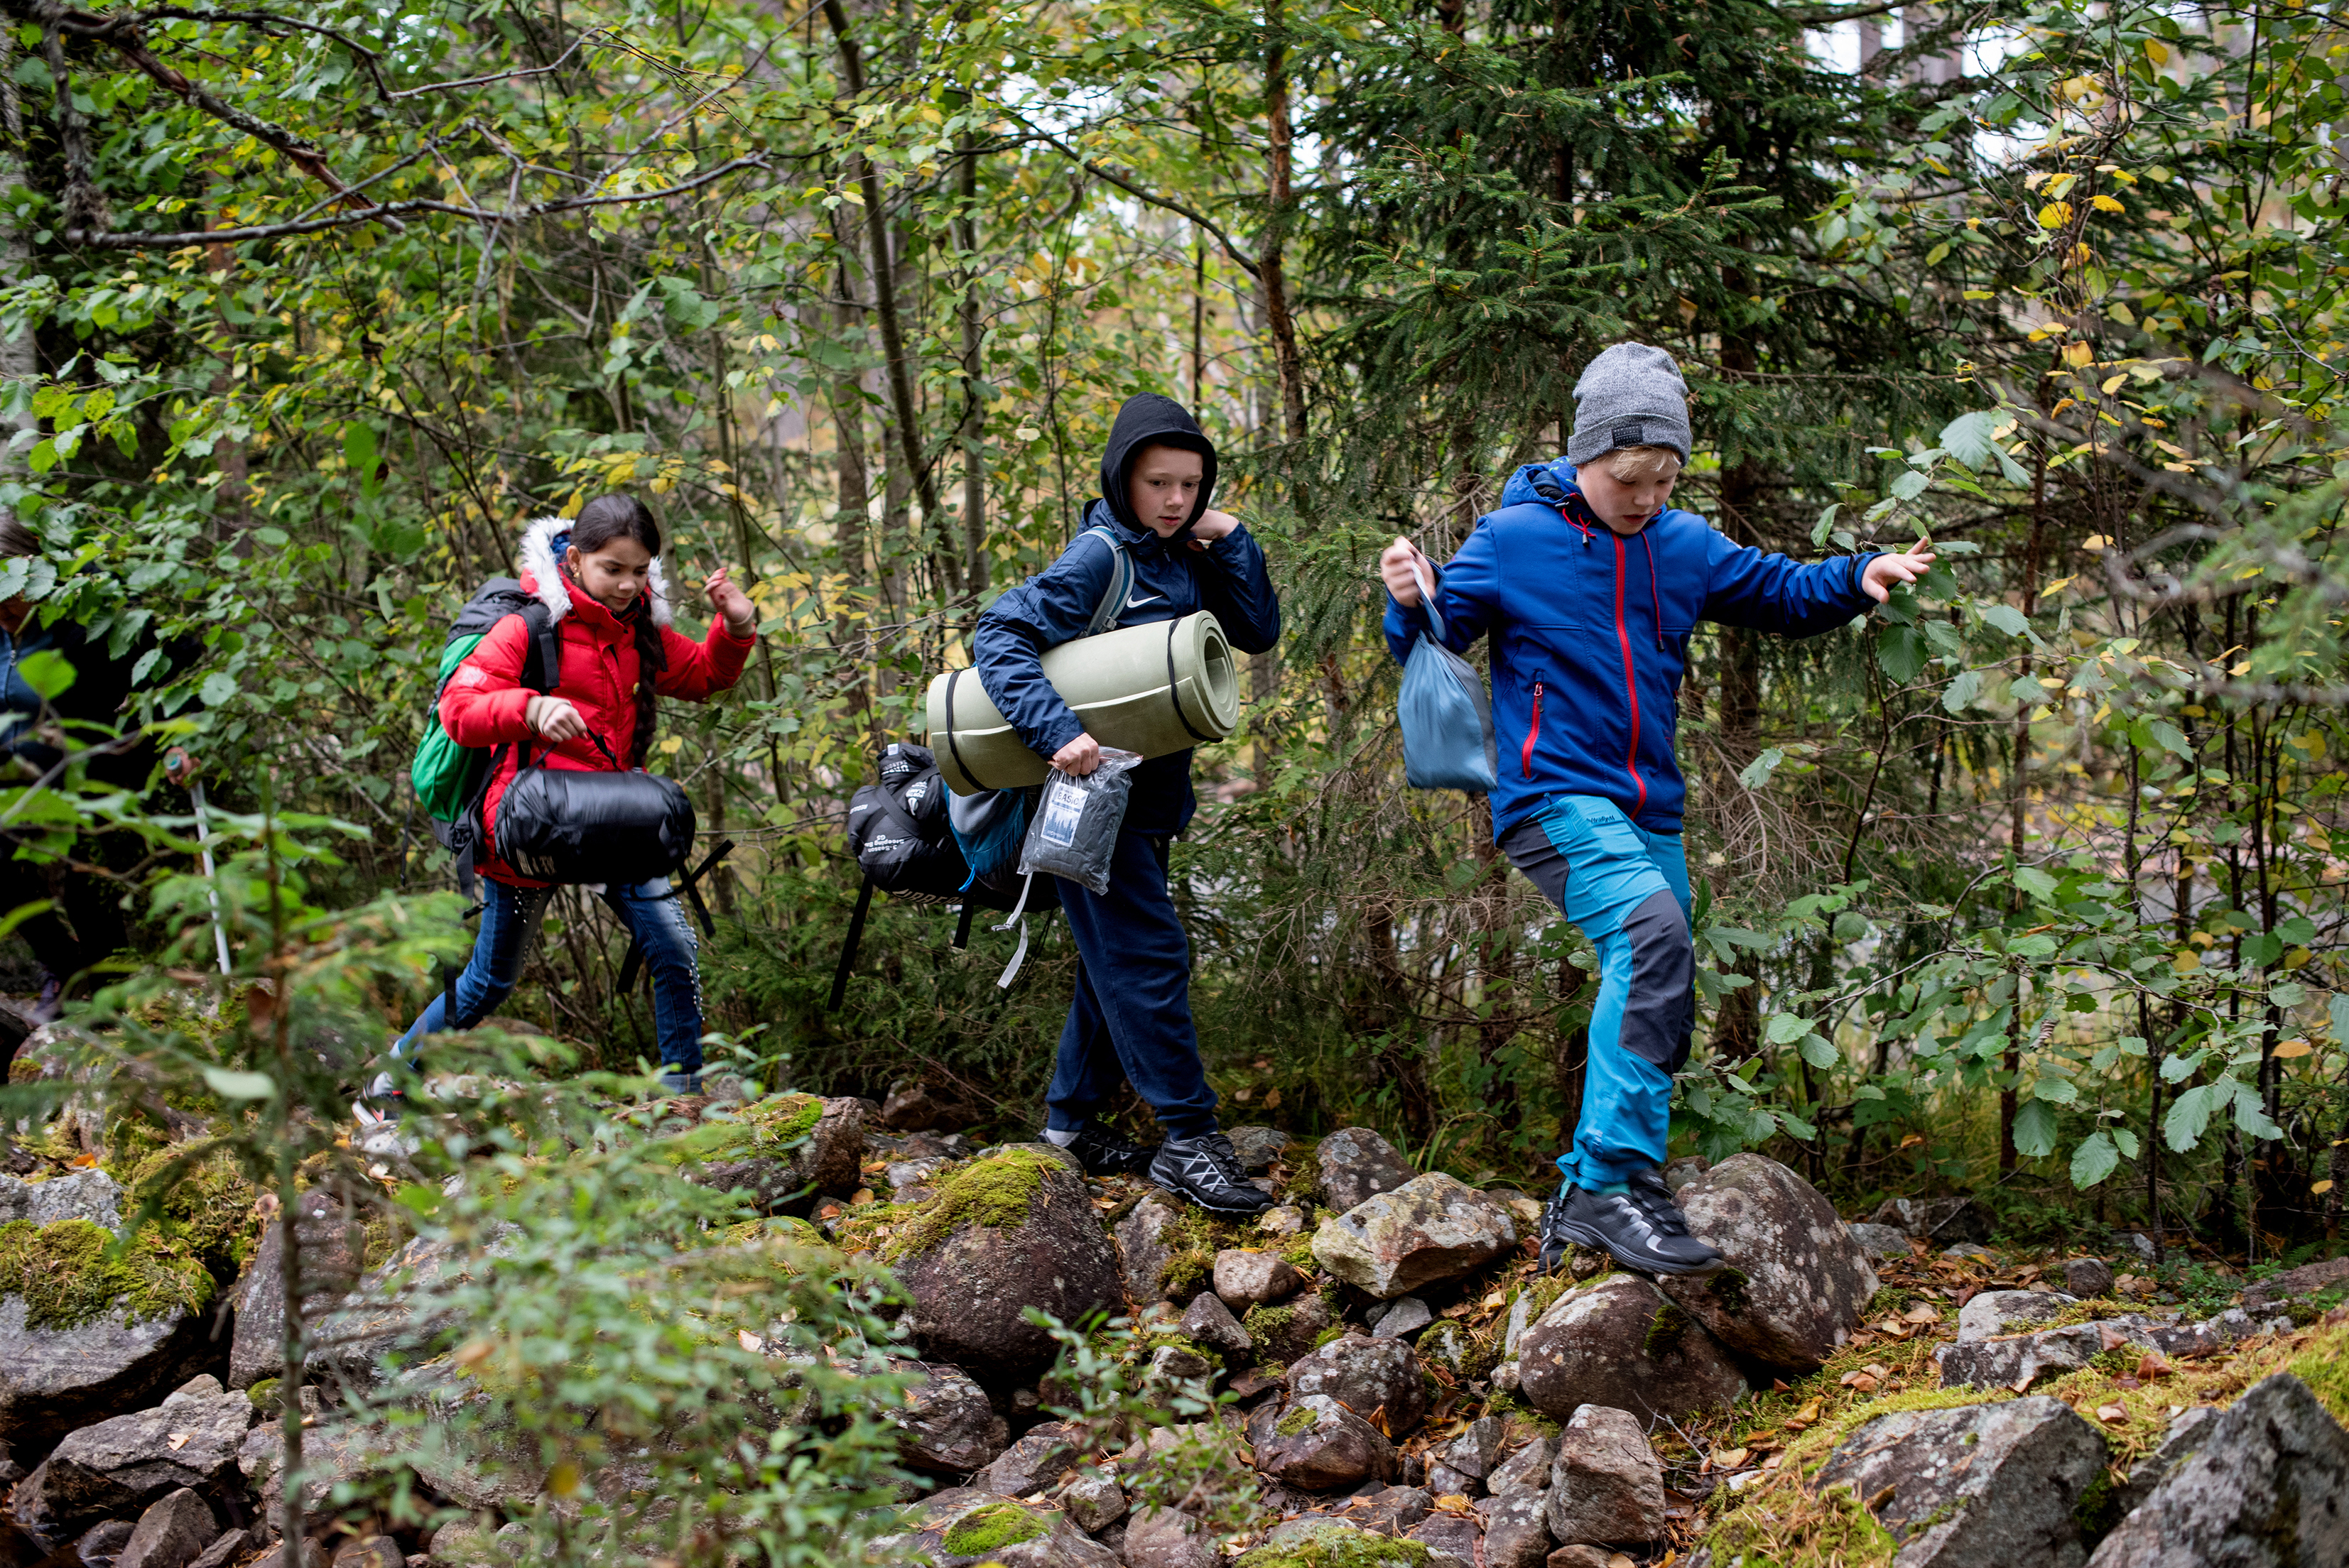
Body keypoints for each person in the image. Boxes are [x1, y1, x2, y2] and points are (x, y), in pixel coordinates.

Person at [1378, 343, 1934, 1275]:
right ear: (1584, 457)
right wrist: (1411, 600)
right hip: (1549, 798)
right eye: (1627, 477)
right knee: (1651, 941)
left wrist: (1857, 575)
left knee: (1664, 991)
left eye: (1663, 478)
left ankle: (1588, 1201)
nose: (1644, 495)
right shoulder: (1514, 539)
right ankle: (1608, 1184)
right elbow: (1438, 634)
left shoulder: (1680, 546)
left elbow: (1777, 591)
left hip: (1649, 812)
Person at [971, 393, 1282, 1215]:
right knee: (1148, 958)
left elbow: (1254, 631)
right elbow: (997, 633)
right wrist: (1054, 732)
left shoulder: (1182, 554)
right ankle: (1189, 1139)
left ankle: (1069, 1132)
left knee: (1109, 966)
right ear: (1122, 480)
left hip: (1145, 808)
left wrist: (1233, 537)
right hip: (1086, 796)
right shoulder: (1101, 557)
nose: (1176, 500)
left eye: (1190, 483)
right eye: (1157, 483)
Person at [361, 494, 756, 1117]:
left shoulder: (639, 630)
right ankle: (390, 1081)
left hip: (614, 826)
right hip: (531, 833)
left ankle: (685, 1103)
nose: (629, 584)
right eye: (613, 569)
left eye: (640, 570)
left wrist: (734, 627)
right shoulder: (529, 626)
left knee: (673, 948)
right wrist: (528, 707)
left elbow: (703, 675)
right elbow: (459, 711)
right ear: (575, 560)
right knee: (491, 980)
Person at [0, 517, 185, 1020]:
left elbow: (174, 662)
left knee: (87, 874)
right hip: (16, 781)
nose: (1, 609)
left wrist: (177, 735)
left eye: (5, 590)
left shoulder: (82, 616)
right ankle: (63, 966)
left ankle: (109, 992)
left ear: (30, 571)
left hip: (91, 776)